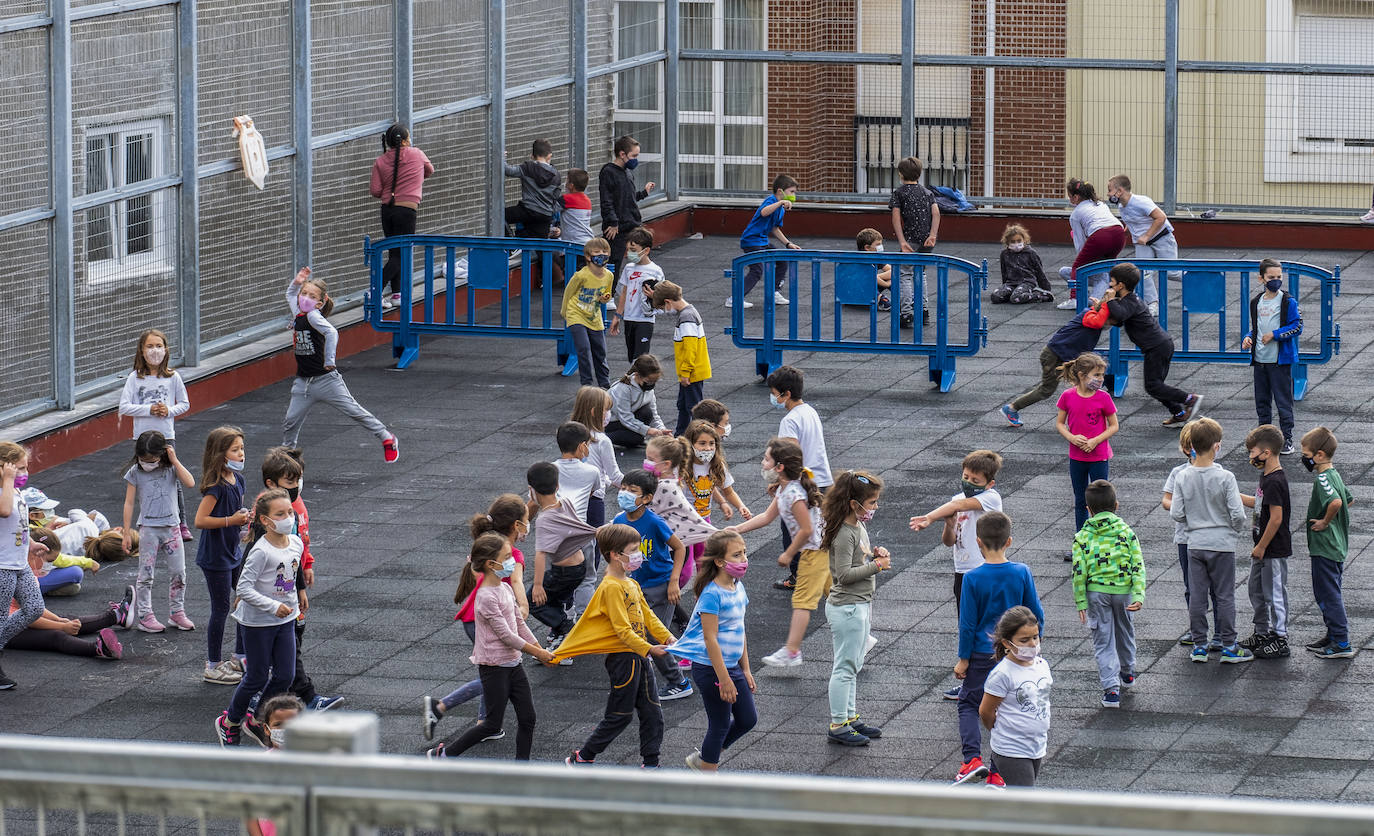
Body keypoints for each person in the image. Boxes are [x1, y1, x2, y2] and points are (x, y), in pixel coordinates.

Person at [558, 523, 676, 768]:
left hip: (638, 657)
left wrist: (667, 638)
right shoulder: (611, 587)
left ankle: (651, 763)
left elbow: (647, 615)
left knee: (653, 712)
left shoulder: (630, 584)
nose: (638, 555)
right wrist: (650, 648)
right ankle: (583, 756)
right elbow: (622, 630)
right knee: (620, 715)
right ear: (614, 554)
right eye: (633, 550)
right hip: (624, 660)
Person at [429, 533, 554, 760]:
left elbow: (518, 624)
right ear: (490, 564)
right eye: (507, 557)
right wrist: (538, 652)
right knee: (491, 724)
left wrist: (540, 650)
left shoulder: (505, 589)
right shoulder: (485, 597)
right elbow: (506, 636)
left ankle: (521, 768)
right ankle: (445, 754)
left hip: (514, 665)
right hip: (494, 668)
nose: (512, 562)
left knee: (528, 718)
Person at [423, 496, 530, 748]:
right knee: (497, 675)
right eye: (526, 521)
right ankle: (440, 706)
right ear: (516, 525)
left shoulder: (487, 546)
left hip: (474, 617)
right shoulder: (510, 554)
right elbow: (516, 581)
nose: (528, 526)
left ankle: (486, 722)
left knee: (494, 670)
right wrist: (523, 606)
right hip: (487, 619)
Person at [949, 511, 1044, 785]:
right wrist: (1034, 648)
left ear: (978, 542)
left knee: (969, 703)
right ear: (1009, 541)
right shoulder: (1021, 572)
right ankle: (996, 771)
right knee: (1003, 708)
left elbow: (967, 623)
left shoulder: (972, 578)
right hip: (1011, 653)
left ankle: (971, 759)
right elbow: (1035, 612)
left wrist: (963, 659)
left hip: (981, 652)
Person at [909, 449, 1004, 700]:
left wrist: (929, 517)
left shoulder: (991, 498)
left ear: (989, 483)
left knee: (987, 625)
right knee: (967, 624)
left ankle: (987, 681)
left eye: (976, 481)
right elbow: (949, 542)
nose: (969, 483)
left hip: (982, 571)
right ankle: (973, 682)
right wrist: (948, 525)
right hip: (962, 572)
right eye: (966, 477)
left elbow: (960, 505)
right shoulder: (955, 500)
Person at [282, 267, 399, 462]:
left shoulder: (313, 316)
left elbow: (332, 333)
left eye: (311, 296)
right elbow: (290, 294)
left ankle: (387, 438)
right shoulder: (298, 312)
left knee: (354, 411)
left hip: (326, 380)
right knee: (290, 422)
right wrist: (297, 281)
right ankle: (287, 457)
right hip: (303, 382)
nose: (305, 298)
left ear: (319, 303)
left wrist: (329, 360)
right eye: (304, 293)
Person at [214, 489, 302, 747]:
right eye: (280, 514)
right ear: (265, 520)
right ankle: (229, 722)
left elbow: (291, 575)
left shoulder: (295, 542)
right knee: (257, 677)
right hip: (257, 623)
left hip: (285, 620)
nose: (288, 518)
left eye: (289, 512)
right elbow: (243, 589)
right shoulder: (261, 551)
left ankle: (255, 718)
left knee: (285, 675)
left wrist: (298, 597)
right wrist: (273, 606)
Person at [730, 439, 827, 669]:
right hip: (821, 550)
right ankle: (862, 637)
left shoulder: (793, 494)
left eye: (766, 459)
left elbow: (807, 529)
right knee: (838, 596)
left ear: (780, 467)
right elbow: (766, 517)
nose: (763, 463)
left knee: (802, 601)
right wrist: (737, 528)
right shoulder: (786, 489)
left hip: (814, 553)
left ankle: (792, 651)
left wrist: (788, 553)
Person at [669, 530, 758, 771]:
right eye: (737, 555)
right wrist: (724, 679)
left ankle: (705, 757)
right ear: (719, 561)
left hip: (731, 667)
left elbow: (740, 631)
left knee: (748, 719)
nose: (744, 559)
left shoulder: (738, 587)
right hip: (712, 670)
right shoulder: (711, 594)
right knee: (719, 724)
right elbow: (710, 638)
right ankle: (707, 776)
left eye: (744, 553)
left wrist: (746, 669)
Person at [262, 447, 340, 711]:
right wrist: (298, 587)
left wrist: (308, 564)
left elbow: (300, 544)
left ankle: (287, 691)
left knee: (292, 640)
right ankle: (305, 695)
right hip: (278, 592)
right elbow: (282, 558)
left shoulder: (294, 505)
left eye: (297, 481)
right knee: (287, 644)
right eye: (290, 482)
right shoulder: (272, 518)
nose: (296, 487)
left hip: (289, 588)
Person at [1169, 418, 1252, 664]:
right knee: (1224, 595)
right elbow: (1237, 513)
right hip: (1222, 544)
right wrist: (1233, 530)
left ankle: (1199, 646)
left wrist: (1193, 523)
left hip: (1195, 543)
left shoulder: (1183, 476)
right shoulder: (1226, 477)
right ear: (1217, 446)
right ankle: (1228, 645)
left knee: (1197, 594)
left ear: (1191, 445)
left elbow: (1176, 512)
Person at [1084, 263, 1201, 427]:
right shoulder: (1128, 300)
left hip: (1157, 347)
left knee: (1153, 385)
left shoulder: (1130, 302)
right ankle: (1179, 412)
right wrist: (1100, 306)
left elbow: (1119, 313)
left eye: (1111, 282)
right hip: (1160, 345)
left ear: (1120, 285)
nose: (1109, 285)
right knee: (1156, 386)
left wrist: (1109, 301)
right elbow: (1117, 320)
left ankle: (1190, 399)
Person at [821, 468, 890, 746]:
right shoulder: (843, 533)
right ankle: (839, 724)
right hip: (847, 606)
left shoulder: (858, 527)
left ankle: (849, 717)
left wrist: (874, 555)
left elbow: (858, 560)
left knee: (854, 664)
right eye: (871, 502)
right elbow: (844, 575)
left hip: (859, 604)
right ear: (854, 504)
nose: (874, 507)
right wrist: (876, 566)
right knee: (845, 667)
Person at [615, 469, 692, 701]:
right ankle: (640, 679)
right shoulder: (619, 521)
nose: (625, 493)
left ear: (647, 498)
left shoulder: (654, 522)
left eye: (632, 491)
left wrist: (674, 582)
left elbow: (679, 548)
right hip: (635, 588)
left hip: (660, 586)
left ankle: (678, 681)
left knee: (655, 636)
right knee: (636, 634)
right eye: (624, 488)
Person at [1071, 480, 1145, 709]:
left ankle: (1111, 690)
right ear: (1116, 505)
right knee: (1125, 631)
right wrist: (1139, 594)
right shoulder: (1126, 532)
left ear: (1088, 509)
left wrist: (1081, 600)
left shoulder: (1082, 536)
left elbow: (1078, 571)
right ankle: (1128, 670)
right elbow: (1138, 564)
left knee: (1103, 640)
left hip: (1096, 592)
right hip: (1123, 591)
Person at [118, 329, 192, 541]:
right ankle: (148, 520)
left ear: (166, 349)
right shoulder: (134, 378)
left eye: (159, 346)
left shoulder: (173, 377)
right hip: (142, 437)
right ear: (142, 350)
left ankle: (181, 522)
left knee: (172, 478)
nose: (154, 351)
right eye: (150, 346)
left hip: (166, 436)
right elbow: (124, 406)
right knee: (143, 478)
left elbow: (184, 404)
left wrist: (168, 410)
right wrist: (148, 409)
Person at [121, 430, 196, 633]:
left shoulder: (171, 468)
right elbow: (129, 503)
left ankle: (177, 612)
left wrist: (174, 459)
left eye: (152, 459)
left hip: (172, 528)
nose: (148, 463)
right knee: (145, 574)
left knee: (179, 572)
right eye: (144, 459)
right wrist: (126, 532)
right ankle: (145, 615)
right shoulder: (136, 472)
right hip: (149, 529)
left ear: (162, 454)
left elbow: (190, 483)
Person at [768, 365, 834, 590]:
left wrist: (780, 481)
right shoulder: (810, 411)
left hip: (802, 482)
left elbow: (790, 454)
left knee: (792, 528)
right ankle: (820, 573)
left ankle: (798, 576)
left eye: (775, 393)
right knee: (819, 528)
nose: (773, 397)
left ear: (785, 394)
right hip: (822, 479)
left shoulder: (790, 420)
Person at [195, 426, 249, 686]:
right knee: (222, 607)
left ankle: (240, 655)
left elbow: (236, 513)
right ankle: (213, 665)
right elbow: (200, 520)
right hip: (215, 556)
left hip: (233, 551)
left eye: (241, 449)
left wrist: (244, 521)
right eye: (235, 449)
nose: (241, 454)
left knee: (244, 600)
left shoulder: (238, 481)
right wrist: (231, 520)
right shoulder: (215, 487)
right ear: (220, 454)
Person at [979, 606, 1052, 788]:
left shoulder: (1042, 664)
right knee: (1026, 802)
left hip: (1037, 745)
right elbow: (986, 712)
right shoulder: (1003, 674)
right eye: (1024, 640)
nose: (1033, 644)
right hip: (1011, 749)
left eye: (1035, 637)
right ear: (1007, 643)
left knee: (1020, 798)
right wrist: (1002, 731)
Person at [998, 305, 1106, 427]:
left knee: (1082, 386)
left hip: (1060, 355)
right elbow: (1099, 321)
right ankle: (1012, 408)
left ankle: (1084, 418)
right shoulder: (1091, 321)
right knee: (1046, 390)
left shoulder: (1090, 316)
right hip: (1054, 356)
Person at [526, 462, 594, 652]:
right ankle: (559, 631)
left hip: (563, 572)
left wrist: (538, 585)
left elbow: (541, 554)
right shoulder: (565, 502)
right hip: (579, 567)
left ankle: (567, 631)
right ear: (557, 486)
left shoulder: (545, 519)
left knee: (533, 601)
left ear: (531, 490)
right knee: (553, 600)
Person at [1162, 423, 1219, 647]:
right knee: (1192, 587)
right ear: (1186, 449)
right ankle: (1198, 631)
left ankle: (1219, 633)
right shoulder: (1178, 473)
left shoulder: (1218, 472)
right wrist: (1179, 504)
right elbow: (1166, 499)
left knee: (1215, 587)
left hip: (1209, 538)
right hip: (1186, 539)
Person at [1239, 425, 1292, 660]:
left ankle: (1280, 638)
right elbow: (1260, 505)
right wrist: (1235, 495)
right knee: (1256, 589)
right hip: (1263, 548)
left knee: (1275, 593)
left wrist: (1261, 546)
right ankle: (1262, 632)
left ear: (1266, 453)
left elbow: (1277, 518)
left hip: (1273, 549)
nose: (1251, 457)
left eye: (1253, 452)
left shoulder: (1275, 481)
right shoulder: (1266, 477)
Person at [1300, 426, 1354, 659]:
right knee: (1330, 591)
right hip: (1337, 545)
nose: (1304, 459)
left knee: (1328, 594)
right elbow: (1348, 499)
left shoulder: (1323, 478)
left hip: (1326, 547)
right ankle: (1333, 635)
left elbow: (1336, 503)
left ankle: (1341, 642)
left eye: (1306, 455)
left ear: (1319, 455)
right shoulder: (1335, 474)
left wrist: (1324, 522)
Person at [369, 122, 435, 310]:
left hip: (387, 210)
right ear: (406, 140)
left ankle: (397, 293)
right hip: (407, 210)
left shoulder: (380, 161)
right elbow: (430, 170)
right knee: (402, 253)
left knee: (394, 252)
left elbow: (375, 190)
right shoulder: (417, 153)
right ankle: (375, 291)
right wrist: (413, 180)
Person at [1241, 259, 1303, 454]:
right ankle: (1264, 436)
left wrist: (1275, 335)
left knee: (1283, 401)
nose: (1275, 281)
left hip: (1279, 362)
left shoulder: (1287, 301)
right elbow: (1256, 328)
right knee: (1262, 401)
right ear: (1261, 278)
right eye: (1271, 277)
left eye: (1279, 277)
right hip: (1260, 361)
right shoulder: (1256, 302)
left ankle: (1287, 438)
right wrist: (1248, 338)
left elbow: (1297, 326)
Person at [1055, 352, 1119, 535]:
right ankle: (1081, 538)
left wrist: (1095, 441)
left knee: (1101, 499)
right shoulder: (1068, 396)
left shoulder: (1103, 398)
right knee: (1080, 500)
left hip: (1098, 456)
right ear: (1082, 376)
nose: (1100, 379)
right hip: (1077, 456)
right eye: (1096, 375)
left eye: (1101, 375)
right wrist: (1072, 438)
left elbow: (1114, 426)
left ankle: (1103, 535)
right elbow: (1060, 423)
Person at [0, 442, 46, 690]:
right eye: (19, 468)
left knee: (35, 608)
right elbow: (4, 512)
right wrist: (7, 480)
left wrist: (30, 546)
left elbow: (17, 527)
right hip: (2, 567)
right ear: (4, 468)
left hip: (19, 563)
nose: (24, 473)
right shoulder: (5, 492)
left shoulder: (16, 492)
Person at [650, 281, 711, 436]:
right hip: (691, 370)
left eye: (663, 307)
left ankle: (702, 436)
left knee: (694, 407)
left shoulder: (686, 317)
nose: (664, 310)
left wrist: (685, 372)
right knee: (683, 404)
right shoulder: (688, 313)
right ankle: (681, 434)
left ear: (668, 302)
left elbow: (690, 348)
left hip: (692, 372)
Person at [1106, 174, 1173, 314]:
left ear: (1120, 191)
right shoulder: (1122, 206)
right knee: (1143, 272)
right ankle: (1153, 303)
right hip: (1143, 243)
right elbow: (1133, 221)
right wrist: (1124, 233)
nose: (1108, 194)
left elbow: (1161, 217)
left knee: (1172, 272)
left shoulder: (1141, 201)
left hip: (1162, 238)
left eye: (1110, 190)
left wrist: (1147, 236)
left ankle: (1196, 277)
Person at [1055, 178, 1126, 311]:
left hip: (1101, 236)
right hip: (1118, 233)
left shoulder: (1075, 214)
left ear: (1076, 197)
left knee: (1078, 266)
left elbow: (1080, 243)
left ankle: (1075, 299)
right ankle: (1108, 296)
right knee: (1106, 268)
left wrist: (1082, 257)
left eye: (1070, 196)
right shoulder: (1100, 204)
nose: (1069, 199)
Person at [733, 174, 800, 309]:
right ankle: (735, 298)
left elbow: (774, 229)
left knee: (782, 261)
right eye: (791, 192)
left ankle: (774, 292)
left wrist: (788, 243)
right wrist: (780, 202)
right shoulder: (771, 201)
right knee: (757, 270)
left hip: (762, 241)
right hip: (751, 241)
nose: (794, 195)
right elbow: (764, 212)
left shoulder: (780, 209)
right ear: (780, 191)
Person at [889, 156, 940, 327]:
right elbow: (936, 213)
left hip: (910, 239)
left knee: (904, 274)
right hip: (926, 240)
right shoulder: (927, 192)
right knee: (921, 272)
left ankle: (906, 313)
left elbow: (896, 218)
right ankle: (923, 311)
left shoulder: (899, 193)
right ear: (919, 174)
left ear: (901, 174)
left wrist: (902, 241)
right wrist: (932, 235)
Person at [3, 592, 127, 661]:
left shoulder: (24, 571)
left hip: (19, 620)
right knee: (55, 636)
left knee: (69, 620)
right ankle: (98, 648)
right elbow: (25, 617)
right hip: (7, 632)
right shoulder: (8, 572)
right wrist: (61, 626)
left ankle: (116, 616)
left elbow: (35, 608)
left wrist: (59, 620)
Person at [598, 135, 655, 285]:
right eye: (634, 156)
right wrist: (613, 222)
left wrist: (643, 193)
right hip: (618, 227)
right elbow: (607, 200)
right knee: (614, 260)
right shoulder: (609, 172)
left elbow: (627, 198)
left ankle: (640, 288)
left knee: (641, 256)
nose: (636, 159)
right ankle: (608, 293)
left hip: (633, 223)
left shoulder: (627, 172)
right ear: (622, 154)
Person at [561, 239, 615, 388]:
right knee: (583, 348)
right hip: (576, 313)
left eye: (604, 252)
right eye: (597, 252)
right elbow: (568, 292)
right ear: (588, 256)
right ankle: (587, 384)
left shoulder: (609, 275)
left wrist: (605, 298)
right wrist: (565, 312)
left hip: (593, 316)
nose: (601, 255)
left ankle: (604, 384)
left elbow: (606, 295)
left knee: (600, 351)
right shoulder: (581, 275)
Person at [607, 227, 662, 361]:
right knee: (632, 357)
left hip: (645, 320)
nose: (630, 254)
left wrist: (654, 297)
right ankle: (636, 380)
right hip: (629, 318)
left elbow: (662, 296)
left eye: (633, 251)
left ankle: (644, 381)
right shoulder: (629, 268)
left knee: (641, 358)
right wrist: (618, 315)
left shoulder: (655, 271)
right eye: (628, 250)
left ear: (646, 250)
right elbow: (624, 293)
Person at [503, 138, 560, 242]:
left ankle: (511, 245)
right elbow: (555, 196)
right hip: (545, 215)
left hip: (528, 211)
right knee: (542, 246)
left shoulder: (527, 168)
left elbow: (508, 170)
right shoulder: (556, 175)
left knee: (500, 215)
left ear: (532, 156)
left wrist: (502, 157)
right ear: (549, 156)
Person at [606, 355, 669, 448]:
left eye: (655, 381)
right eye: (649, 381)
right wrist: (648, 430)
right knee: (636, 438)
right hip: (610, 423)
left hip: (624, 420)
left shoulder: (649, 390)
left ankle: (634, 438)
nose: (652, 384)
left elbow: (654, 415)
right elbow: (625, 417)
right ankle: (602, 437)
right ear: (637, 375)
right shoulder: (623, 389)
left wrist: (662, 430)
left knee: (647, 412)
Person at [990, 224, 1053, 305]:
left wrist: (1046, 288)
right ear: (1007, 242)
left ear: (1024, 240)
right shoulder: (1004, 254)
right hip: (1011, 283)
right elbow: (1004, 271)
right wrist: (1004, 287)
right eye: (1013, 242)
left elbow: (1039, 271)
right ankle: (1013, 294)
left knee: (1016, 298)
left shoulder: (1031, 253)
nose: (1016, 244)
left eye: (1019, 241)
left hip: (1027, 282)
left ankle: (1039, 295)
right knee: (995, 297)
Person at [855, 228, 893, 310]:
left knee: (894, 278)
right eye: (878, 244)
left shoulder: (876, 258)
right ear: (867, 247)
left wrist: (877, 277)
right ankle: (880, 300)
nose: (881, 247)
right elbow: (867, 279)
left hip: (870, 283)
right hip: (855, 291)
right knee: (868, 281)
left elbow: (894, 271)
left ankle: (903, 296)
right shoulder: (860, 260)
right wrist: (886, 284)